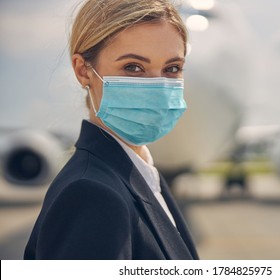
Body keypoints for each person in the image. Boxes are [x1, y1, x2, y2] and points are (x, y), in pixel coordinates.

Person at [24, 0, 199, 260]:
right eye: (133, 67)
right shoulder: (90, 195)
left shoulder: (143, 178)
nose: (159, 86)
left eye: (172, 68)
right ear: (83, 71)